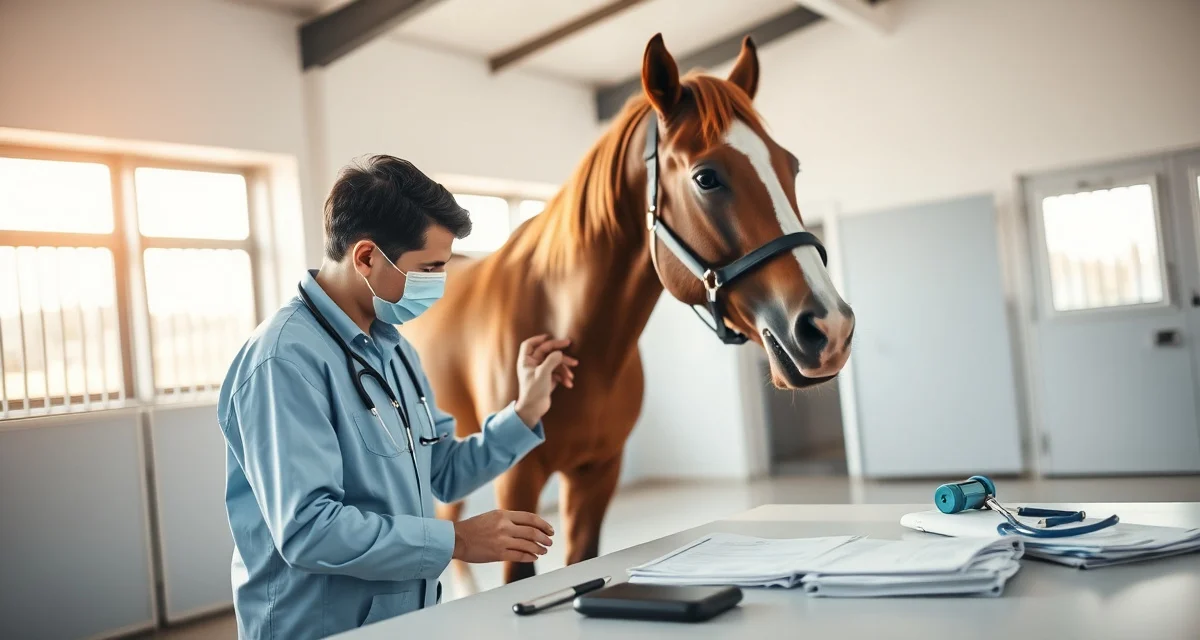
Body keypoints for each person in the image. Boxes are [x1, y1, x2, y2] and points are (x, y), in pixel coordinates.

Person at [217, 155, 577, 639]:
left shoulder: (393, 348)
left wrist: (527, 408)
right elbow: (308, 529)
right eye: (428, 268)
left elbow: (442, 470)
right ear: (366, 257)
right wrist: (458, 540)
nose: (439, 285)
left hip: (403, 619)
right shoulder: (283, 361)